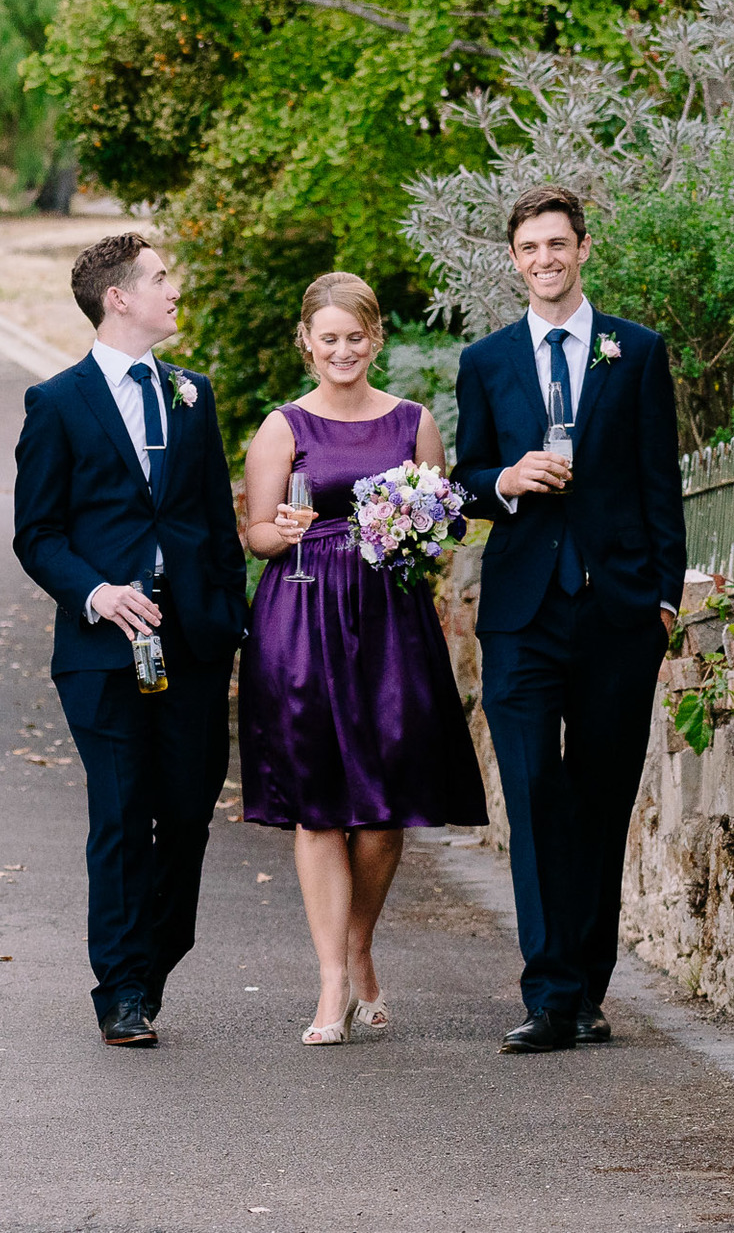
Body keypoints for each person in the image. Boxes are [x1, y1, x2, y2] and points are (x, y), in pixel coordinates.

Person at [454, 184, 684, 1055]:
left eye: (558, 244)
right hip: (521, 613)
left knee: (600, 800)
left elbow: (662, 481)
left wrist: (663, 596)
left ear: (583, 248)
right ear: (514, 261)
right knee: (535, 792)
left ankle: (587, 990)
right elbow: (469, 475)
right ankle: (549, 995)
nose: (545, 259)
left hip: (619, 611)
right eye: (530, 248)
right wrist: (505, 481)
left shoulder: (638, 351)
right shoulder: (488, 360)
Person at [237, 274, 488, 1046]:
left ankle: (359, 942)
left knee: (383, 810)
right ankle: (332, 982)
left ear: (375, 340)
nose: (342, 350)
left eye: (356, 337)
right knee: (318, 804)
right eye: (328, 338)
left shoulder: (413, 424)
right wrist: (288, 527)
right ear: (306, 343)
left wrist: (414, 528)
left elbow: (443, 524)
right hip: (303, 615)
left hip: (390, 620)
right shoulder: (282, 428)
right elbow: (256, 536)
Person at [11, 232, 247, 1049]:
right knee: (121, 810)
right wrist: (96, 592)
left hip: (190, 641)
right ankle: (120, 989)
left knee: (186, 814)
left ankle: (154, 955)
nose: (172, 288)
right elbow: (36, 535)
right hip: (101, 648)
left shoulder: (194, 394)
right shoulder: (58, 402)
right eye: (159, 277)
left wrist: (228, 626)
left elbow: (216, 522)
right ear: (119, 297)